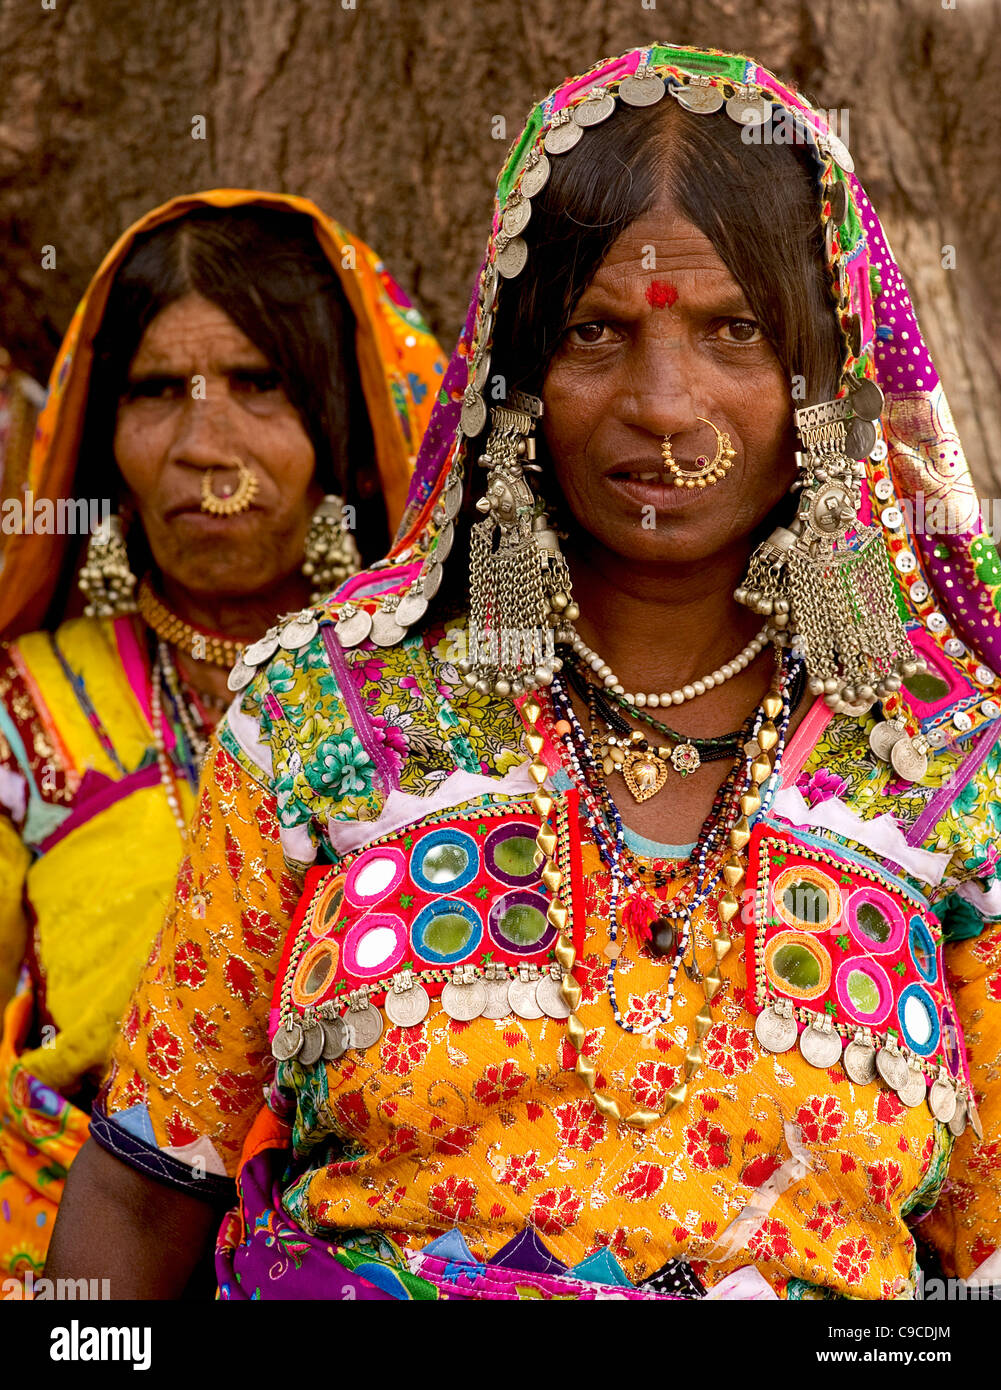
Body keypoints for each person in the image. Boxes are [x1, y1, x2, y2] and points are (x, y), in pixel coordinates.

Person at [48, 44, 1001, 1301]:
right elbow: (142, 1194)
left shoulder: (947, 764)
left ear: (823, 379)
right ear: (513, 385)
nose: (663, 402)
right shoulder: (331, 714)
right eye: (594, 331)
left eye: (734, 331)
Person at [0, 189, 444, 1278]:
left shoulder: (445, 702)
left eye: (260, 384)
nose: (207, 446)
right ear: (105, 436)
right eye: (158, 392)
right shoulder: (25, 706)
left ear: (341, 423)